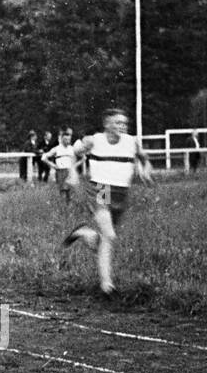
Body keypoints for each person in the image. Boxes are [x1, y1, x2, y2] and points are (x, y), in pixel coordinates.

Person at [63, 108, 153, 296]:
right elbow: (73, 153)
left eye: (124, 124)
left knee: (104, 239)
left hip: (122, 193)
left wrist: (145, 170)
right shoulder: (93, 140)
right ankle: (106, 284)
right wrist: (72, 173)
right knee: (109, 235)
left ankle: (85, 233)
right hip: (101, 189)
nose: (121, 127)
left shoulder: (132, 142)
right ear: (106, 124)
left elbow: (144, 159)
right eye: (117, 123)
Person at [43, 128, 79, 203]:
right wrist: (53, 165)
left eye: (69, 139)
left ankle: (70, 211)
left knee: (71, 194)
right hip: (61, 172)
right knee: (63, 193)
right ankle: (64, 210)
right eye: (66, 139)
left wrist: (75, 166)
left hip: (70, 172)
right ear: (61, 139)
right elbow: (44, 158)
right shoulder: (57, 149)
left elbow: (84, 157)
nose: (68, 141)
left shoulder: (72, 149)